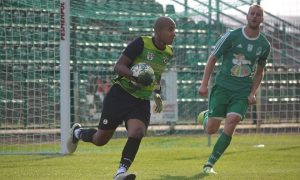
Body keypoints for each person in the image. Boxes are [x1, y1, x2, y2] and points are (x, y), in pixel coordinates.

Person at [67, 16, 176, 180]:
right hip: (120, 95)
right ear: (158, 31)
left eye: (174, 30)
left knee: (138, 132)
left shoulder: (169, 52)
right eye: (171, 30)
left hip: (141, 101)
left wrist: (157, 93)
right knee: (100, 140)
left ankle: (120, 172)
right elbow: (118, 66)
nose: (174, 34)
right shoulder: (141, 43)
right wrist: (134, 76)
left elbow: (157, 74)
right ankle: (78, 132)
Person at [198, 4, 270, 174]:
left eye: (258, 14)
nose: (254, 16)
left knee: (232, 122)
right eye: (252, 13)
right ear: (247, 16)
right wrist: (204, 83)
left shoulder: (264, 45)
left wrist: (252, 93)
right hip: (222, 87)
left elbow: (260, 71)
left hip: (242, 92)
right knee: (211, 129)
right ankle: (205, 117)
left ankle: (209, 165)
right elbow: (213, 57)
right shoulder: (231, 36)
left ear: (262, 19)